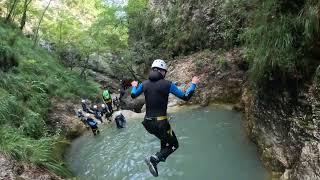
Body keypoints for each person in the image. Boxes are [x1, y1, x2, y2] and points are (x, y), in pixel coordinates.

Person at [131, 59, 199, 177]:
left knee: (165, 141)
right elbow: (186, 97)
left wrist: (134, 86)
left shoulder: (144, 84)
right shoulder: (167, 84)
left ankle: (156, 160)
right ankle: (155, 159)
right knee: (174, 145)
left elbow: (133, 95)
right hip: (160, 123)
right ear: (163, 72)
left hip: (147, 124)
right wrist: (193, 84)